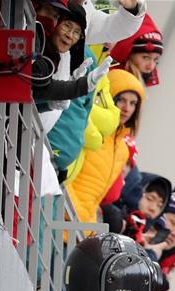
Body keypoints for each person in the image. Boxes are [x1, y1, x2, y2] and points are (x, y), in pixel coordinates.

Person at [67, 68, 143, 223]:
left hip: (83, 226)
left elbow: (100, 198)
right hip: (63, 215)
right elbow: (67, 173)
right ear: (109, 97)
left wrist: (88, 222)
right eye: (121, 100)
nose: (127, 108)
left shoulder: (123, 150)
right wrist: (73, 212)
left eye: (133, 103)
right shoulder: (91, 128)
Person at [109, 12, 163, 87]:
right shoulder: (115, 78)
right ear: (129, 52)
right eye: (146, 57)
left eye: (155, 60)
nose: (151, 66)